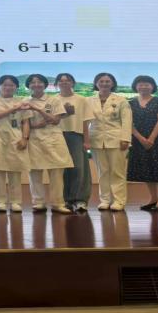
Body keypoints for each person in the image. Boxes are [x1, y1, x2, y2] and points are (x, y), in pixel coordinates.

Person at [24, 74, 72, 214]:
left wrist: (38, 110)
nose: (36, 84)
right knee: (35, 172)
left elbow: (56, 120)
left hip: (53, 138)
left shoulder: (54, 100)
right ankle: (38, 202)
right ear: (28, 85)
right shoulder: (25, 101)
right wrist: (38, 125)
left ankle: (58, 203)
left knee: (56, 173)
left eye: (39, 82)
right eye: (32, 82)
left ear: (45, 84)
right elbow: (25, 123)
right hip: (34, 139)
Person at [127, 75, 158, 212]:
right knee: (146, 169)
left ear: (152, 86)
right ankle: (153, 199)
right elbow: (128, 123)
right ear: (135, 86)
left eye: (147, 84)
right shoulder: (130, 103)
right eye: (140, 84)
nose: (143, 86)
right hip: (138, 140)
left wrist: (151, 139)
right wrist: (140, 138)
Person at [86, 72, 132, 211]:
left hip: (117, 139)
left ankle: (119, 201)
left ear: (112, 83)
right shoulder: (89, 100)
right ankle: (105, 200)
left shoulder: (121, 100)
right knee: (102, 172)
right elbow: (85, 121)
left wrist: (125, 139)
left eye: (107, 81)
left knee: (117, 172)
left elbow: (127, 121)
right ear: (96, 83)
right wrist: (85, 139)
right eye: (101, 81)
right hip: (96, 139)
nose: (104, 83)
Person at [0, 75, 31, 212]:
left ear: (16, 87)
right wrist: (13, 109)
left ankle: (15, 202)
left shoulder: (22, 101)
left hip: (16, 137)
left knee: (15, 171)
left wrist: (25, 138)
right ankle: (0, 201)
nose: (8, 87)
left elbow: (25, 122)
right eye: (5, 85)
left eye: (11, 85)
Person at [55, 73, 94, 212]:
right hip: (57, 136)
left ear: (72, 83)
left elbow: (85, 121)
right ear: (57, 83)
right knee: (62, 170)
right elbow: (50, 119)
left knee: (79, 168)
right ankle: (66, 200)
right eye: (61, 81)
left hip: (76, 135)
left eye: (67, 80)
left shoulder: (81, 99)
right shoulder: (53, 100)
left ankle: (80, 200)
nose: (64, 83)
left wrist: (86, 140)